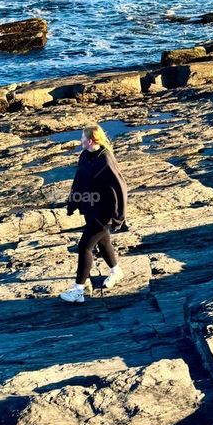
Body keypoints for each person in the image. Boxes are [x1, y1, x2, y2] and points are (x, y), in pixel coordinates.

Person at [59, 125, 128, 302]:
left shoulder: (105, 160)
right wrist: (72, 202)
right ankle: (116, 271)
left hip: (103, 213)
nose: (80, 140)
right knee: (103, 243)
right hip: (89, 209)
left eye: (82, 137)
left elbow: (120, 188)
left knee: (85, 247)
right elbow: (79, 180)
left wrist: (119, 216)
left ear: (90, 140)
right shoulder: (85, 156)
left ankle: (78, 291)